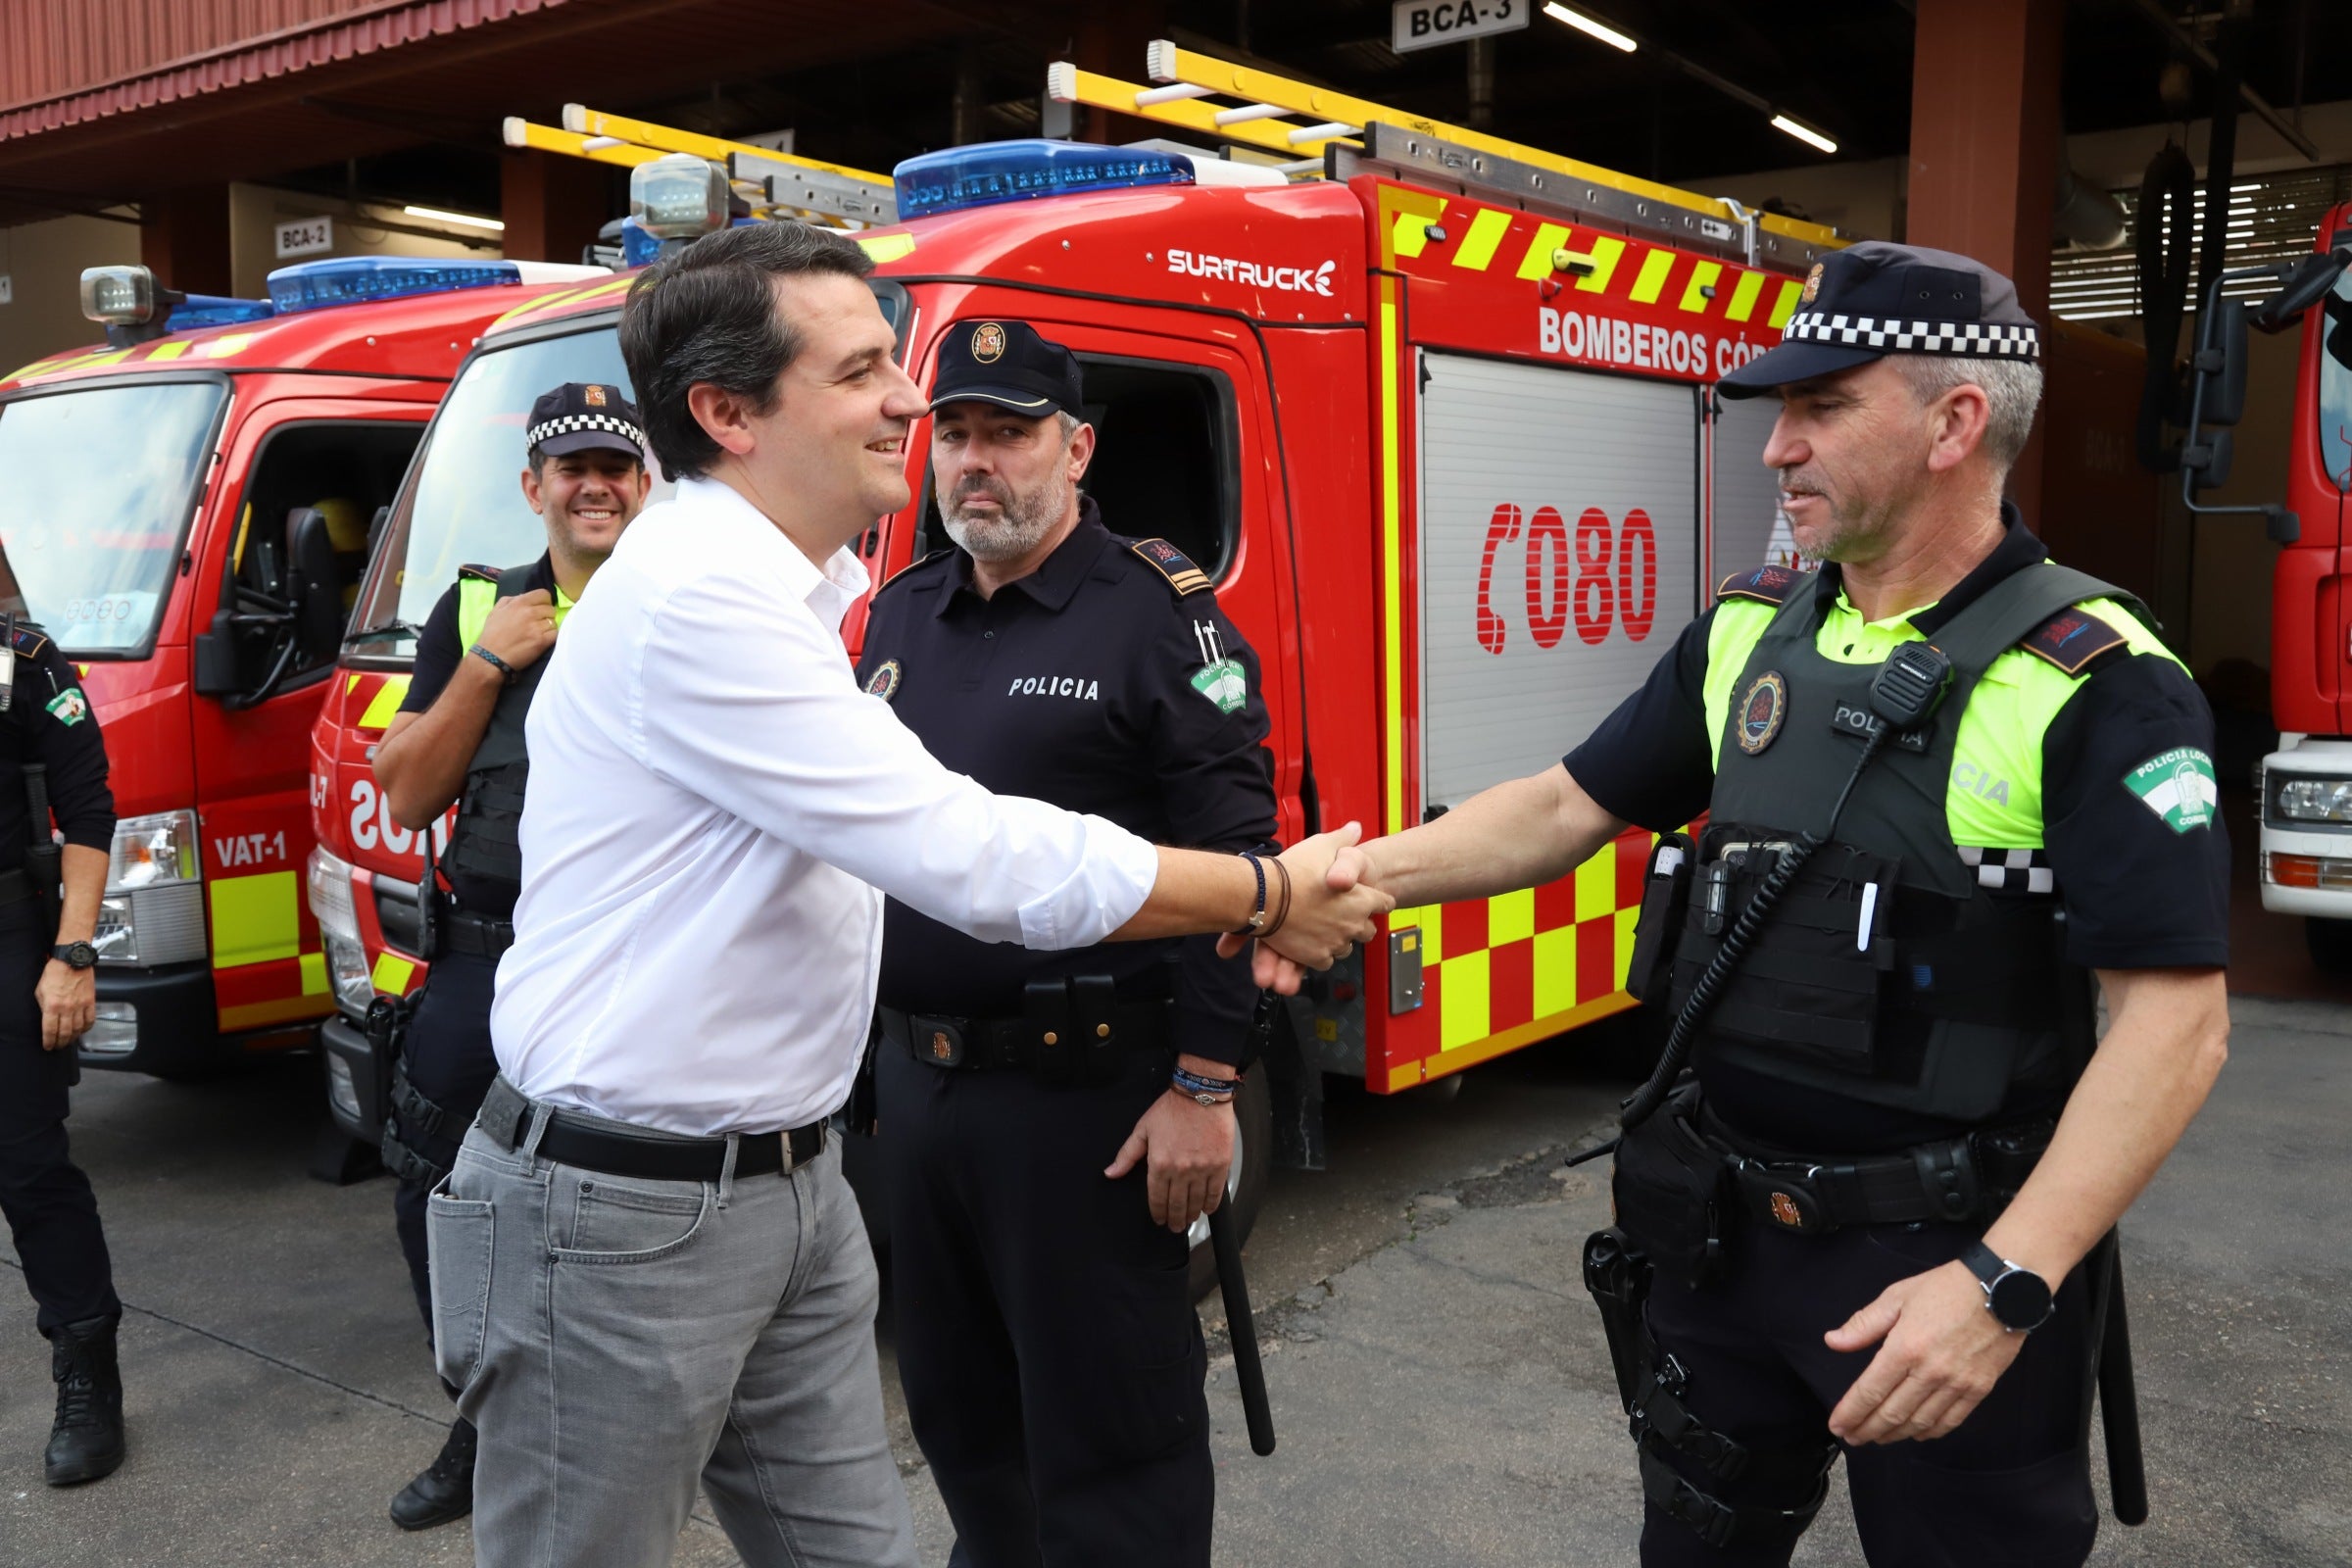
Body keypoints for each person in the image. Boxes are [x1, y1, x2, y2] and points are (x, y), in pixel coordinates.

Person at [431, 220, 1387, 1568]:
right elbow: (966, 852)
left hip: (809, 1174)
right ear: (728, 413)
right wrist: (1272, 888)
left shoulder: (829, 596)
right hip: (629, 1210)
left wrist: (1209, 1065)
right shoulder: (713, 600)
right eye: (867, 372)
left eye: (929, 385)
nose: (917, 406)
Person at [1294, 242, 2231, 1565]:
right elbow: (1565, 809)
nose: (1774, 449)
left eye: (1822, 409)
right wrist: (1327, 882)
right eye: (1777, 412)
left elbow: (2173, 1028)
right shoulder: (1751, 633)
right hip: (1721, 1243)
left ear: (1956, 422)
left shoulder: (2095, 681)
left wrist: (2004, 1282)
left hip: (1940, 1265)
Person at [856, 319, 1270, 1567]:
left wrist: (1207, 1083)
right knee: (963, 1419)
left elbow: (1241, 870)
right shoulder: (899, 616)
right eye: (957, 435)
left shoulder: (1156, 616)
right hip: (921, 1097)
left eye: (1011, 434)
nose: (977, 462)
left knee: (1110, 1441)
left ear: (1077, 448)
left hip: (1088, 1106)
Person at [366, 382, 652, 1530]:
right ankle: (483, 1419)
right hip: (488, 955)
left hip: (631, 960)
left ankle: (619, 1429)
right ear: (534, 488)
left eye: (616, 465)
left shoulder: (681, 602)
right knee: (431, 1189)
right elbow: (404, 789)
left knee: (622, 1205)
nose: (594, 483)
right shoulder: (475, 604)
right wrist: (487, 663)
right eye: (569, 466)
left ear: (647, 484)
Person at [0, 612, 123, 1485]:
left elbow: (87, 808)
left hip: (10, 939)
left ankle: (88, 1377)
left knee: (30, 1172)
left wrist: (73, 954)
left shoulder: (23, 662)